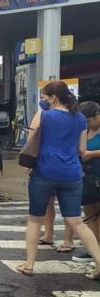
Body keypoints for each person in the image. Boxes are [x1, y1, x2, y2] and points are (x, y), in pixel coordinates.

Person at [16, 81, 100, 280]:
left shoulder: (42, 116)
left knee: (35, 220)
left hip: (44, 173)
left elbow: (30, 143)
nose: (43, 101)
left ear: (53, 97)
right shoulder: (80, 118)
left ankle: (29, 264)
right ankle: (99, 261)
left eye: (44, 98)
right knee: (76, 221)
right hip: (72, 174)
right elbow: (81, 150)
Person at [61, 101, 100, 262]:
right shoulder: (86, 130)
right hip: (88, 177)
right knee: (89, 213)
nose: (88, 124)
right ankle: (94, 247)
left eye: (90, 121)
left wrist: (92, 154)